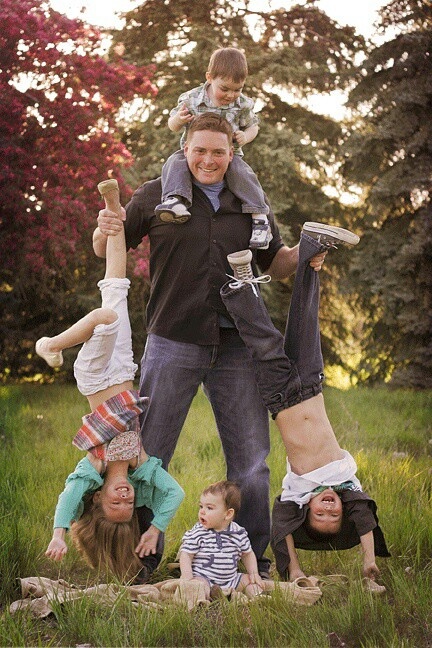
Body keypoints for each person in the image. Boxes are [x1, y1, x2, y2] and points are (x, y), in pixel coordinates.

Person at [93, 113, 327, 581]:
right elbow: (107, 246)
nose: (208, 160)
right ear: (185, 149)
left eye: (218, 152)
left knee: (252, 465)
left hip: (239, 346)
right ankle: (136, 564)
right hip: (172, 340)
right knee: (150, 455)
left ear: (231, 154)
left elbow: (275, 261)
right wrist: (105, 227)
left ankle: (251, 563)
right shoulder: (156, 193)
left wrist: (305, 255)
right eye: (199, 150)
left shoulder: (249, 200)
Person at [219, 223, 390, 591]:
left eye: (320, 515)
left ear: (306, 511)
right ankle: (311, 245)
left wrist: (294, 570)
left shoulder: (296, 492)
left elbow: (283, 531)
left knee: (262, 338)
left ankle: (241, 282)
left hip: (280, 396)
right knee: (306, 321)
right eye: (334, 514)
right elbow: (364, 518)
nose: (328, 507)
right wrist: (369, 562)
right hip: (311, 385)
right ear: (343, 508)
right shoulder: (347, 483)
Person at [36, 180, 184, 583]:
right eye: (129, 506)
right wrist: (153, 527)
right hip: (122, 373)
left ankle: (49, 344)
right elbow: (175, 495)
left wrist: (60, 533)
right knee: (116, 286)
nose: (125, 498)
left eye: (114, 505)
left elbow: (68, 499)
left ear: (98, 500)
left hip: (95, 378)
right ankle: (113, 205)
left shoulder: (94, 469)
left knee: (107, 317)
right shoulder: (141, 468)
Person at [155, 47, 272, 249]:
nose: (230, 95)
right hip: (193, 153)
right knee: (175, 163)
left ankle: (260, 218)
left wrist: (245, 136)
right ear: (209, 78)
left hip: (226, 155)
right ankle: (175, 200)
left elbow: (253, 126)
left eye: (237, 89)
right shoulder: (192, 99)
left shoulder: (242, 105)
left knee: (242, 172)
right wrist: (178, 120)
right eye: (224, 89)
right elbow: (172, 126)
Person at [179, 480, 264, 600]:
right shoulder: (198, 532)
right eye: (201, 506)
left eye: (209, 508)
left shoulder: (238, 533)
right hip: (204, 578)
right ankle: (205, 599)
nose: (202, 511)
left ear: (228, 514)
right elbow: (186, 554)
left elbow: (247, 554)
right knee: (197, 586)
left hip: (231, 580)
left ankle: (258, 598)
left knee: (249, 582)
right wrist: (187, 577)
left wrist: (254, 573)